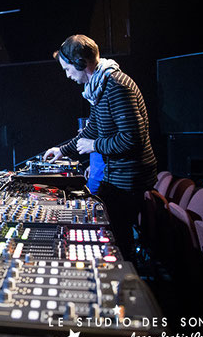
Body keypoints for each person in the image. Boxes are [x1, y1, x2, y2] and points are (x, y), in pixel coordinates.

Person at [43, 34, 157, 261]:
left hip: (128, 180)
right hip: (117, 177)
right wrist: (62, 150)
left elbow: (132, 138)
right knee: (109, 230)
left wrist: (94, 145)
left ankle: (125, 286)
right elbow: (91, 130)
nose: (67, 75)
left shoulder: (116, 86)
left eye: (67, 69)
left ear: (80, 63)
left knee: (118, 241)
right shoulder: (100, 88)